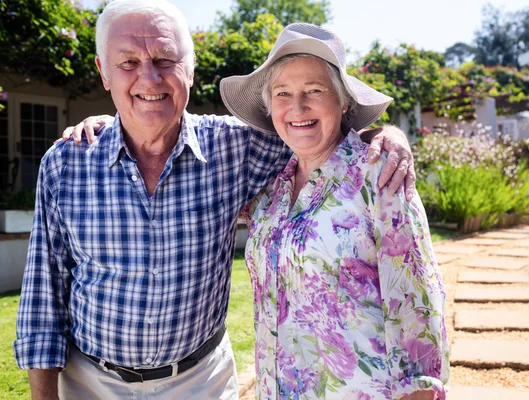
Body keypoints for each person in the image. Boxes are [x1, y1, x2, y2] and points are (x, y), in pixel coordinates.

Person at [14, 1, 415, 399]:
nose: (149, 78)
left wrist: (384, 137)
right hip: (91, 384)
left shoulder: (238, 148)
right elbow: (42, 297)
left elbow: (314, 132)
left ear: (190, 68)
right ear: (104, 73)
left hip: (200, 382)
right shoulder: (67, 164)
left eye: (165, 59)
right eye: (128, 63)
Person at [219, 23, 449, 399]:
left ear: (343, 101)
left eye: (314, 90)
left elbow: (417, 304)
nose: (297, 107)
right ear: (270, 106)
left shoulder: (380, 176)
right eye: (283, 94)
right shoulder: (269, 193)